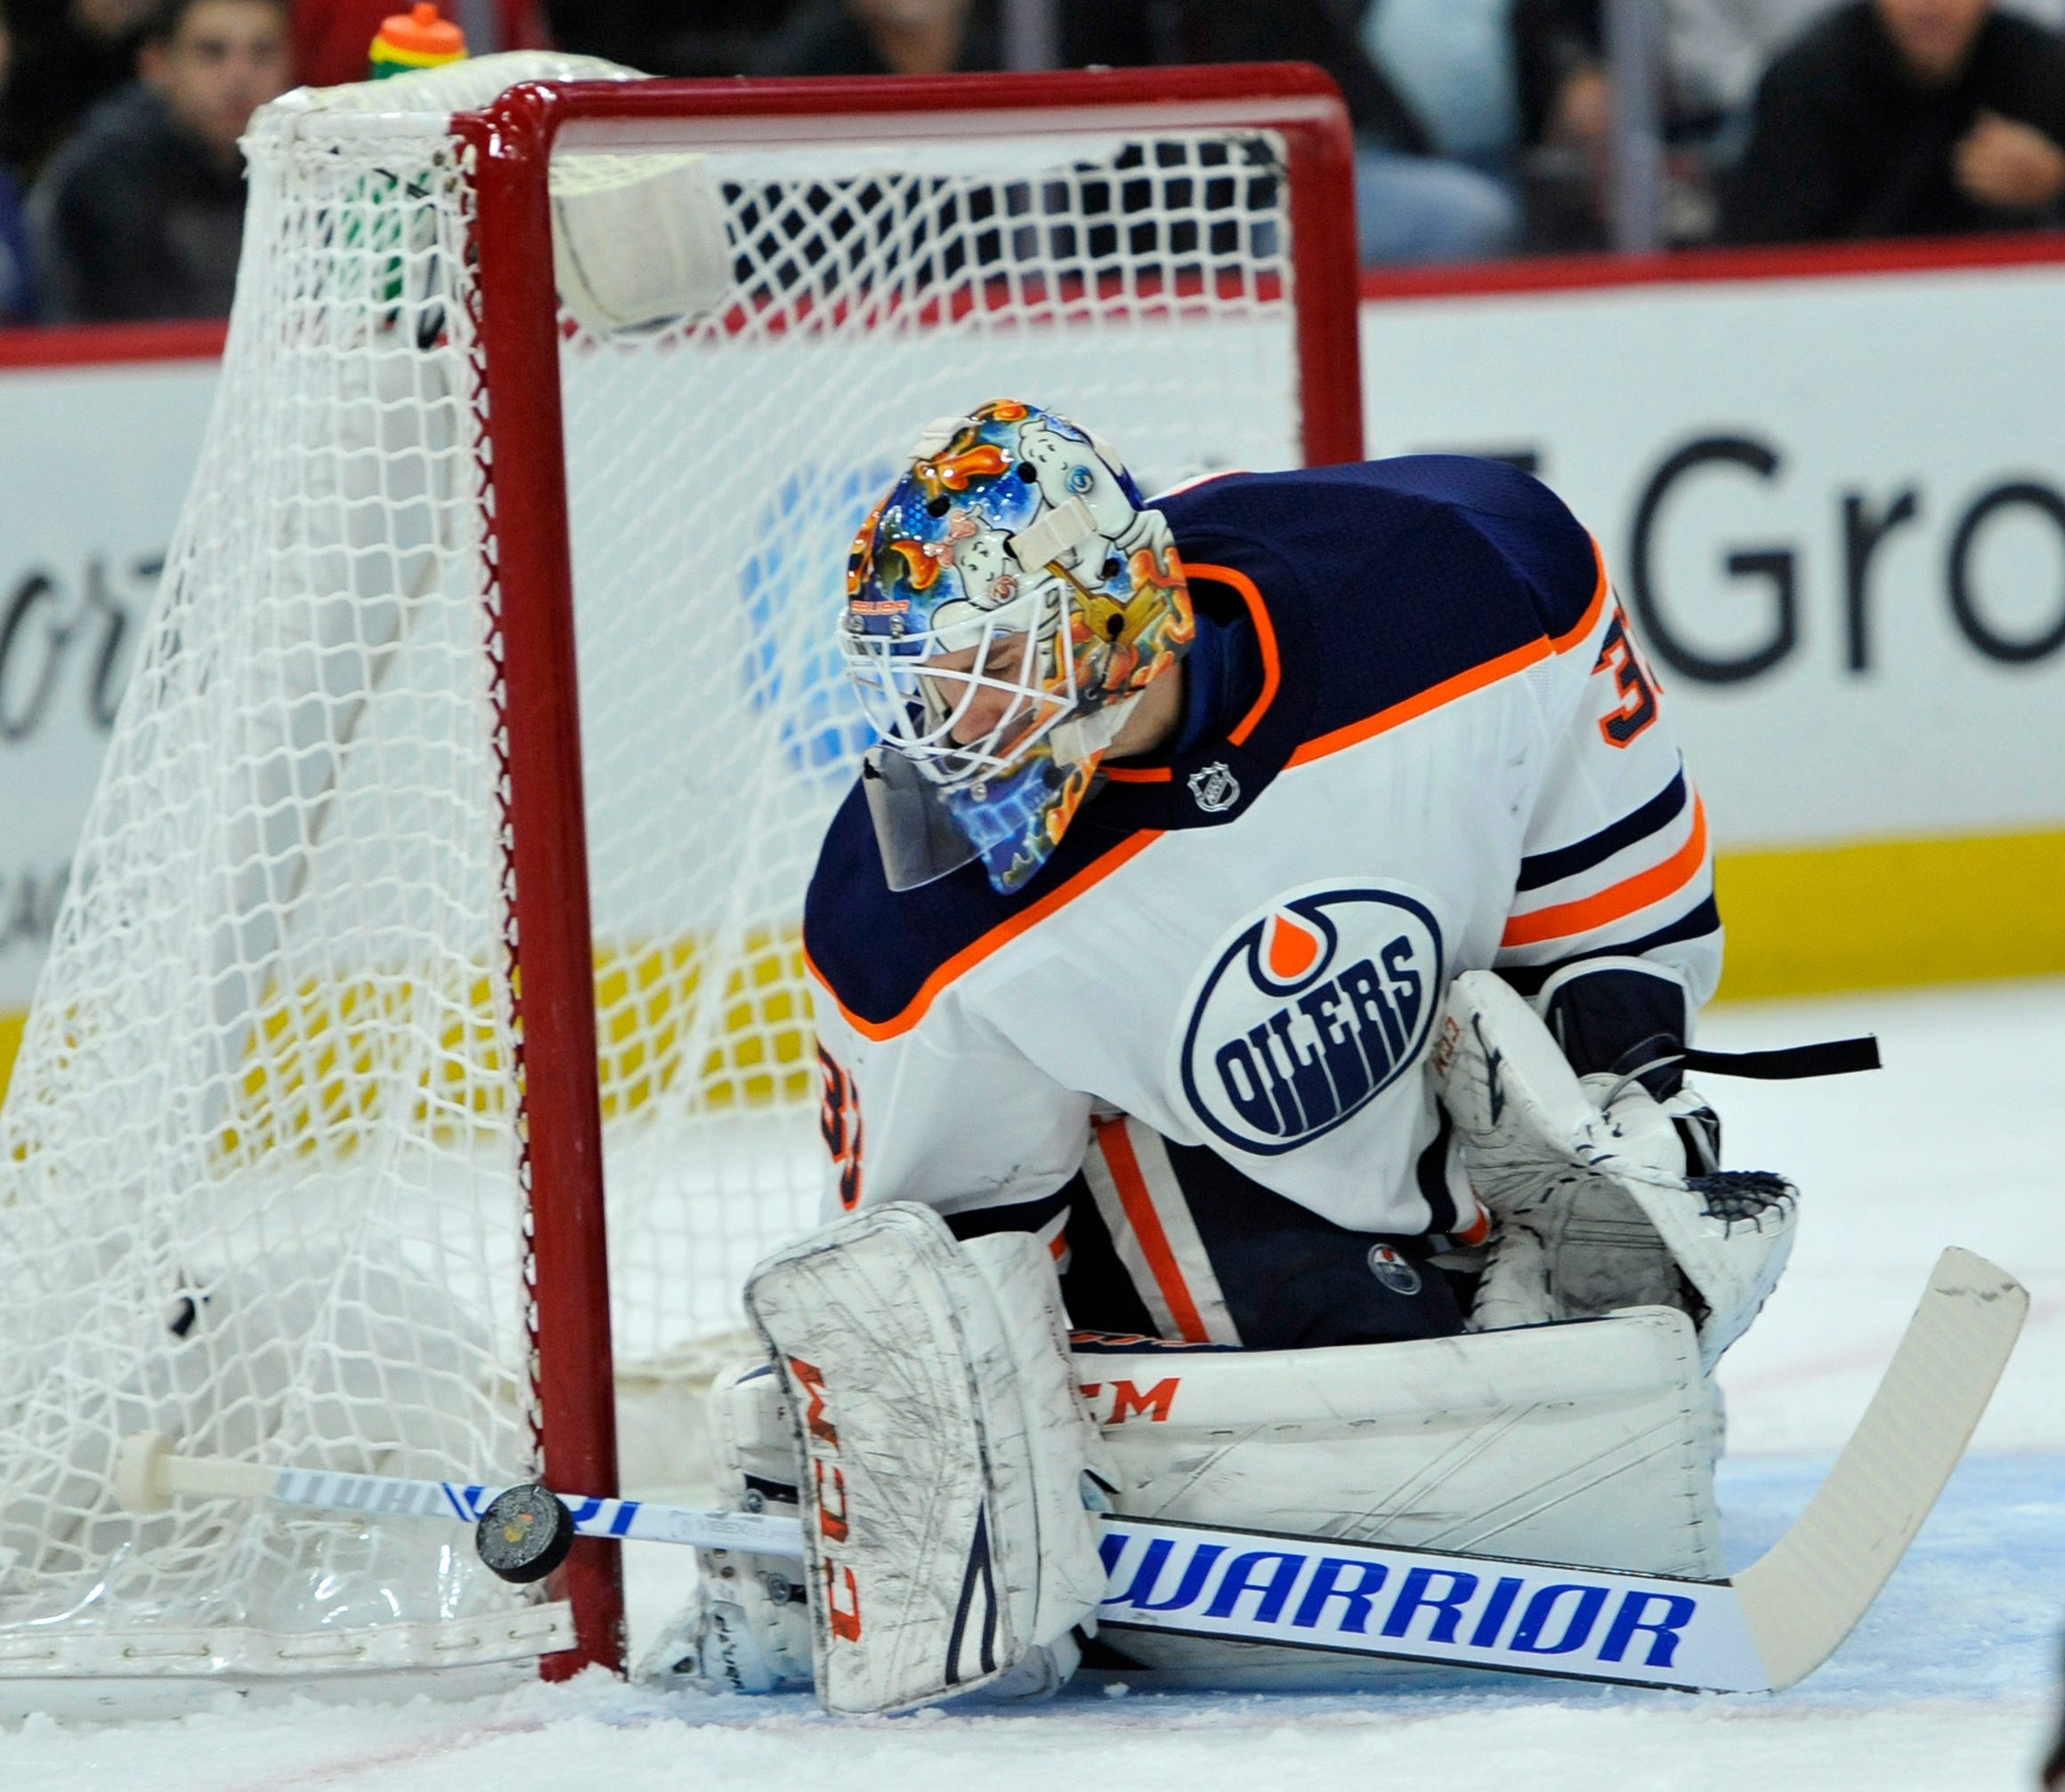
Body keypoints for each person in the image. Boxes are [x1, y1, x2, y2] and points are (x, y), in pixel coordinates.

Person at [655, 402, 1799, 1707]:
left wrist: (1621, 1077)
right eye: (924, 672)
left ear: (1122, 617)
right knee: (1259, 1350)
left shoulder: (1448, 584)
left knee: (1596, 1135)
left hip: (1434, 1077)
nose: (951, 721)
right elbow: (948, 1245)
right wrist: (917, 1467)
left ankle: (1533, 1310)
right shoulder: (913, 907)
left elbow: (1612, 883)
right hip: (1193, 1243)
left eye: (997, 661)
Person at [29, 0, 291, 320]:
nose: (240, 78)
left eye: (262, 54)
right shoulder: (104, 177)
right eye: (211, 53)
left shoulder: (311, 171)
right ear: (157, 65)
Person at [1720, 0, 2065, 241]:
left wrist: (2054, 181)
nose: (1930, 4)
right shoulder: (1809, 80)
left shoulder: (2043, 70)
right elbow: (1758, 243)